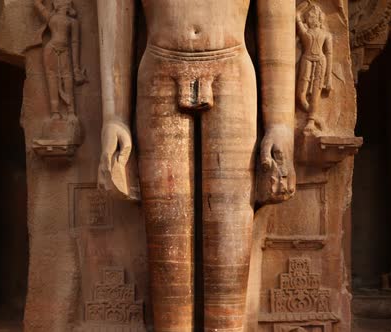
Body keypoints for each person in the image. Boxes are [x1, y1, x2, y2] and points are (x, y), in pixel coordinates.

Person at [97, 0, 296, 330]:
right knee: (166, 228)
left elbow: (278, 18)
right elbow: (112, 18)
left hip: (231, 64)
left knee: (231, 228)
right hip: (160, 64)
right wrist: (114, 117)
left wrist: (280, 124)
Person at [34, 0, 86, 120]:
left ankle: (71, 111)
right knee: (52, 79)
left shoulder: (72, 22)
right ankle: (55, 112)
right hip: (50, 50)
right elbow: (36, 4)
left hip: (64, 51)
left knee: (67, 79)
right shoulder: (51, 18)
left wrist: (76, 68)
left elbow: (75, 44)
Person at [296, 2, 333, 135]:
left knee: (315, 94)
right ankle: (318, 119)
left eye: (313, 17)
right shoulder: (305, 32)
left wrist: (328, 78)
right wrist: (302, 8)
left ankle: (311, 121)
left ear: (319, 18)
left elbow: (329, 54)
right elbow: (297, 17)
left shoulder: (326, 35)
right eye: (309, 17)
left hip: (320, 61)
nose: (310, 19)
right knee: (300, 95)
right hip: (306, 60)